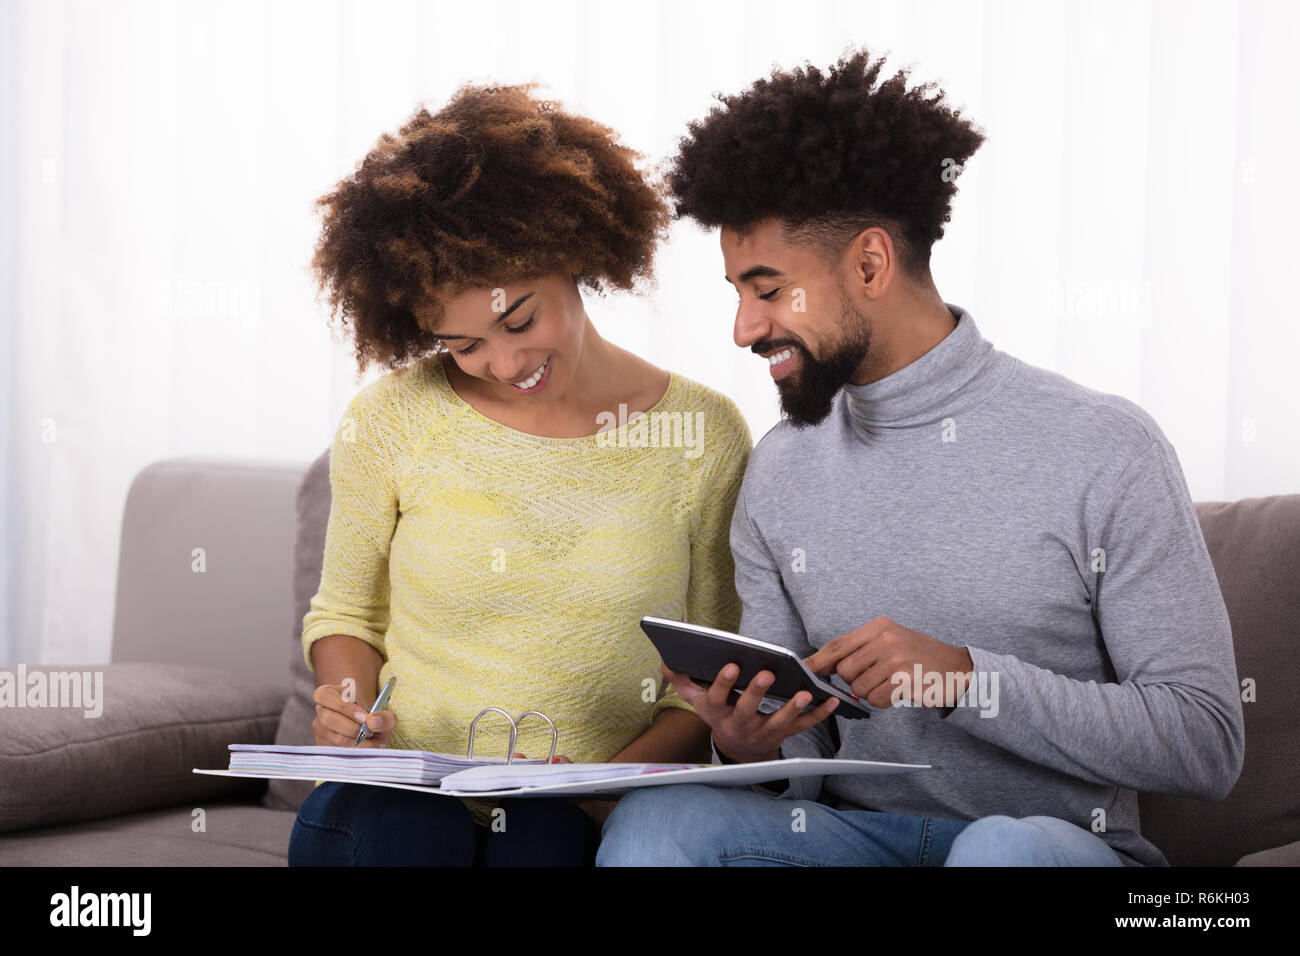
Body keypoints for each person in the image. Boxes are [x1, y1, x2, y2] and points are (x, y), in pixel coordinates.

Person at [596, 49, 1244, 867]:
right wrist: (747, 744)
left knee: (1001, 853)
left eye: (767, 290)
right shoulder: (782, 471)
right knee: (663, 825)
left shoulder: (1105, 447)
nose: (744, 329)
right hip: (851, 842)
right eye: (736, 293)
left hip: (1046, 849)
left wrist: (965, 678)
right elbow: (803, 760)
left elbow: (1205, 744)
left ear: (870, 263)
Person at [286, 82, 752, 867]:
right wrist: (350, 708)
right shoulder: (392, 419)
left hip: (581, 805)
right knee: (412, 833)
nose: (505, 365)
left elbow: (701, 684)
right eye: (463, 345)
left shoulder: (702, 435)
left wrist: (600, 784)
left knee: (542, 842)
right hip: (401, 795)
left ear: (574, 254)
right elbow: (347, 616)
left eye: (519, 321)